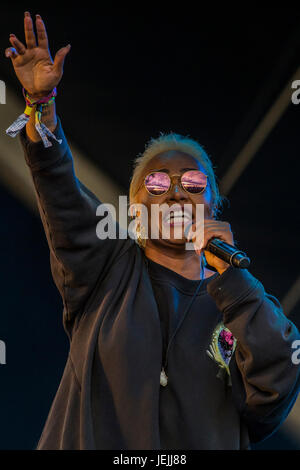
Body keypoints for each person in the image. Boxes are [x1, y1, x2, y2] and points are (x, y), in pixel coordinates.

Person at [5, 12, 300, 450]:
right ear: (137, 211)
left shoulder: (243, 302)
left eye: (193, 184)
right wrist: (41, 106)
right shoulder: (107, 268)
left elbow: (275, 389)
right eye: (158, 184)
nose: (177, 193)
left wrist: (234, 281)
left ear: (213, 205)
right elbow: (63, 194)